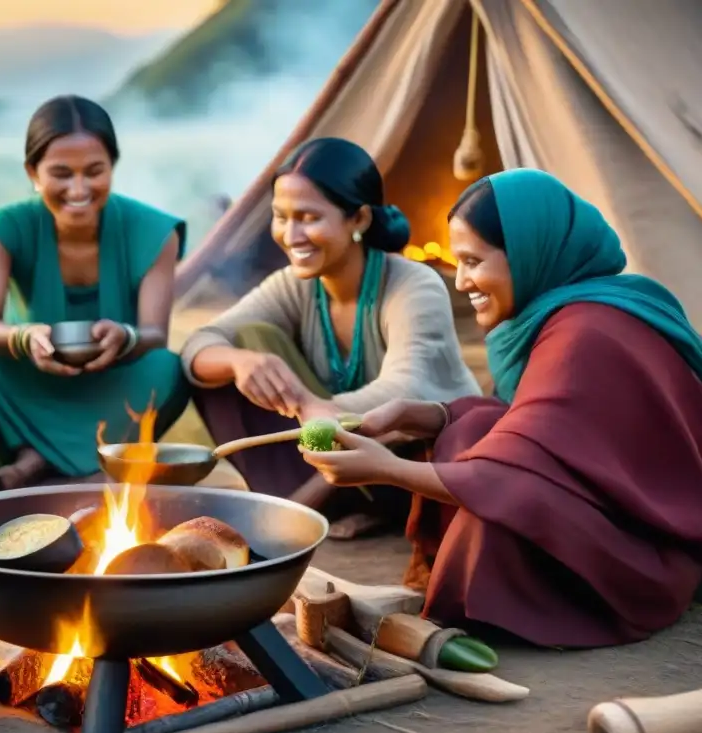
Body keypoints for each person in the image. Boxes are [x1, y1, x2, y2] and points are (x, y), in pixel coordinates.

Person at [300, 168, 702, 648]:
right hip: (610, 513)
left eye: (473, 261)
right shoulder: (573, 311)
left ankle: (523, 611)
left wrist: (387, 469)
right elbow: (529, 425)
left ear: (529, 253)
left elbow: (514, 474)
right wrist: (427, 414)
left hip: (643, 554)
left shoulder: (586, 334)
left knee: (491, 501)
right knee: (470, 431)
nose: (463, 280)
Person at [181, 138, 480, 538]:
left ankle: (302, 510)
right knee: (236, 355)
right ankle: (312, 505)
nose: (291, 234)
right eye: (280, 216)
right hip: (339, 453)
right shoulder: (296, 286)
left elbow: (409, 388)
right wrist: (240, 363)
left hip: (416, 465)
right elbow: (199, 345)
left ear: (358, 219)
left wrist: (315, 408)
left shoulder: (413, 284)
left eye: (308, 217)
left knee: (400, 429)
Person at [0, 95, 190, 490]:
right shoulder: (3, 227)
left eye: (94, 171)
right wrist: (26, 337)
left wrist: (126, 338)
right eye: (61, 173)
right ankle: (30, 457)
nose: (78, 188)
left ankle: (98, 464)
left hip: (115, 376)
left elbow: (155, 334)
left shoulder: (154, 230)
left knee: (168, 367)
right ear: (33, 172)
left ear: (112, 167)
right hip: (32, 377)